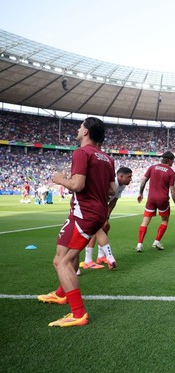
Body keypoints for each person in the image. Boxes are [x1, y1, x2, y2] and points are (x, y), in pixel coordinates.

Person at [37, 117, 116, 327]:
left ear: (87, 132)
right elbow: (112, 190)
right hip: (94, 212)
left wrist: (59, 179)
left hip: (84, 214)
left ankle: (78, 313)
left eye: (80, 127)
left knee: (61, 262)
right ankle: (62, 293)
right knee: (62, 254)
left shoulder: (81, 153)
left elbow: (77, 185)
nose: (78, 129)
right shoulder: (108, 159)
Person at [83, 167, 133, 270]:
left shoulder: (122, 185)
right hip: (91, 205)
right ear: (120, 176)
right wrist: (103, 217)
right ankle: (88, 260)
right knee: (95, 229)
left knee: (105, 227)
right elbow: (101, 198)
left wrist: (107, 216)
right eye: (129, 177)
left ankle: (101, 257)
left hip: (101, 206)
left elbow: (113, 202)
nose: (131, 179)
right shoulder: (111, 183)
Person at [136, 151, 175, 252]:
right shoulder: (171, 172)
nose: (173, 162)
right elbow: (172, 189)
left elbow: (143, 181)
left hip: (151, 198)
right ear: (169, 160)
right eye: (173, 160)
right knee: (164, 220)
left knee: (145, 221)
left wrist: (140, 193)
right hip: (162, 199)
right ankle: (157, 241)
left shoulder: (152, 167)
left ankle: (139, 244)